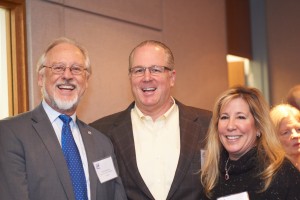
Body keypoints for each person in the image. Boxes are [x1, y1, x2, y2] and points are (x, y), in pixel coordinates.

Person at [0, 37, 127, 200]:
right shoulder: (11, 133)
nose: (67, 75)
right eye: (58, 68)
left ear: (86, 81)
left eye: (76, 69)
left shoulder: (102, 142)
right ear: (40, 78)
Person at [90, 40, 211, 200]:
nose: (147, 78)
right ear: (130, 77)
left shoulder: (208, 124)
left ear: (172, 77)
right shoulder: (100, 132)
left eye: (155, 69)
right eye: (138, 70)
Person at [200, 86, 300, 200]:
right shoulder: (212, 174)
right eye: (224, 117)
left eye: (241, 117)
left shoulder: (282, 173)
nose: (230, 126)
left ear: (258, 127)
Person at [270, 104, 300, 171]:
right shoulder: (275, 174)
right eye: (285, 132)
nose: (295, 135)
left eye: (298, 129)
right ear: (273, 140)